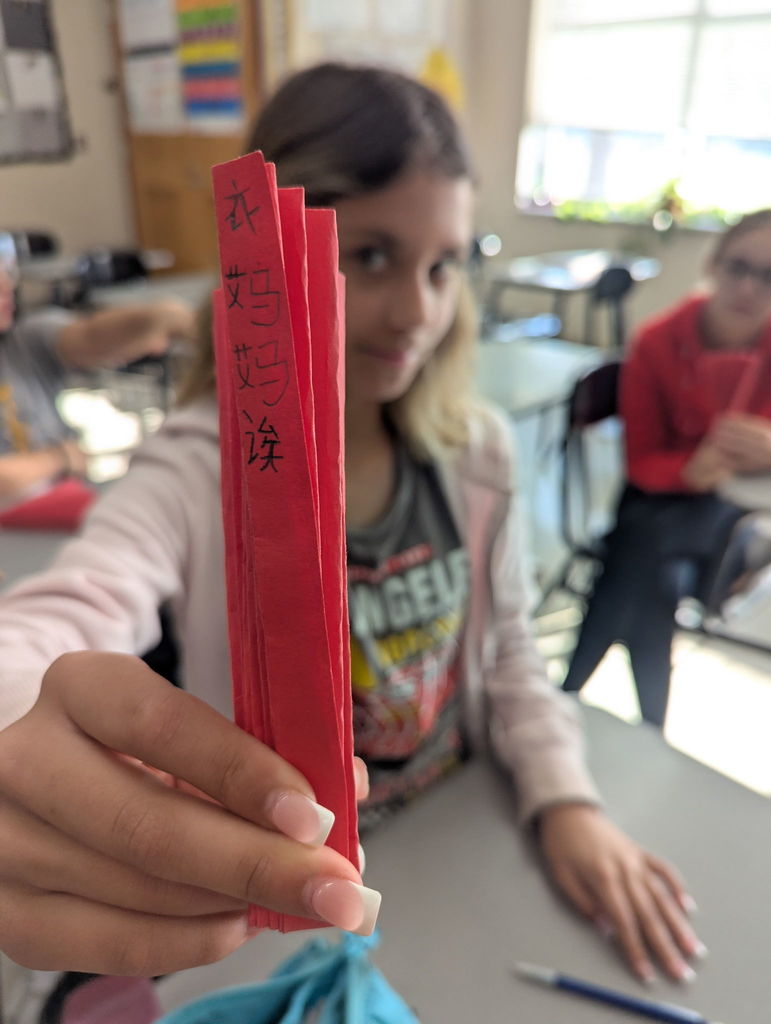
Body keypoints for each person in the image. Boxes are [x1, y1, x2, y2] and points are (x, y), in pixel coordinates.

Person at [0, 63, 704, 985]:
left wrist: (564, 800)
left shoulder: (474, 451)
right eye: (369, 255)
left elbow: (508, 664)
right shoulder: (198, 466)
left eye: (443, 264)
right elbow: (58, 620)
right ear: (274, 261)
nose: (417, 310)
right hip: (287, 897)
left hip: (454, 838)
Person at [563, 209, 771, 726]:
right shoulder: (657, 343)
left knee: (637, 553)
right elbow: (642, 465)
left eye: (769, 276)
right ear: (714, 265)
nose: (749, 288)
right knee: (653, 564)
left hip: (735, 511)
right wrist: (689, 470)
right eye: (739, 267)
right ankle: (648, 721)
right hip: (660, 497)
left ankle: (567, 693)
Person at [0, 234, 194, 508]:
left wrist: (161, 317)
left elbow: (90, 338)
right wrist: (60, 458)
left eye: (6, 269)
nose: (5, 284)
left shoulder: (20, 341)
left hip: (55, 511)